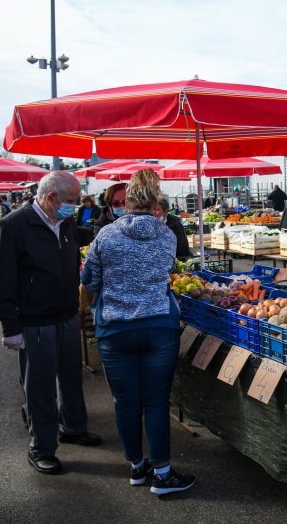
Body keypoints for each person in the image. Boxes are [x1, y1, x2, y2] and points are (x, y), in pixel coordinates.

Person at [81, 169, 195, 495]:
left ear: (127, 200)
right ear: (156, 201)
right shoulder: (167, 236)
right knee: (157, 402)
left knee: (126, 402)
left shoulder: (105, 235)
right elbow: (170, 270)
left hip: (114, 330)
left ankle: (136, 466)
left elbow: (89, 282)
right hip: (159, 327)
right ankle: (163, 473)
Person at [0, 171, 101, 475]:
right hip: (34, 320)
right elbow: (3, 279)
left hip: (66, 314)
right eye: (70, 200)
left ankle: (74, 427)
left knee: (71, 378)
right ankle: (41, 447)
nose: (75, 205)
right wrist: (9, 326)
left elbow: (83, 238)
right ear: (51, 198)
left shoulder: (64, 222)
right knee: (40, 387)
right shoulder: (13, 225)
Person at [155, 195, 192, 260]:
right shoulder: (155, 223)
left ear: (165, 211)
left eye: (158, 210)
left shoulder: (174, 224)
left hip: (180, 259)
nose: (154, 212)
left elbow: (177, 246)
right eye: (153, 209)